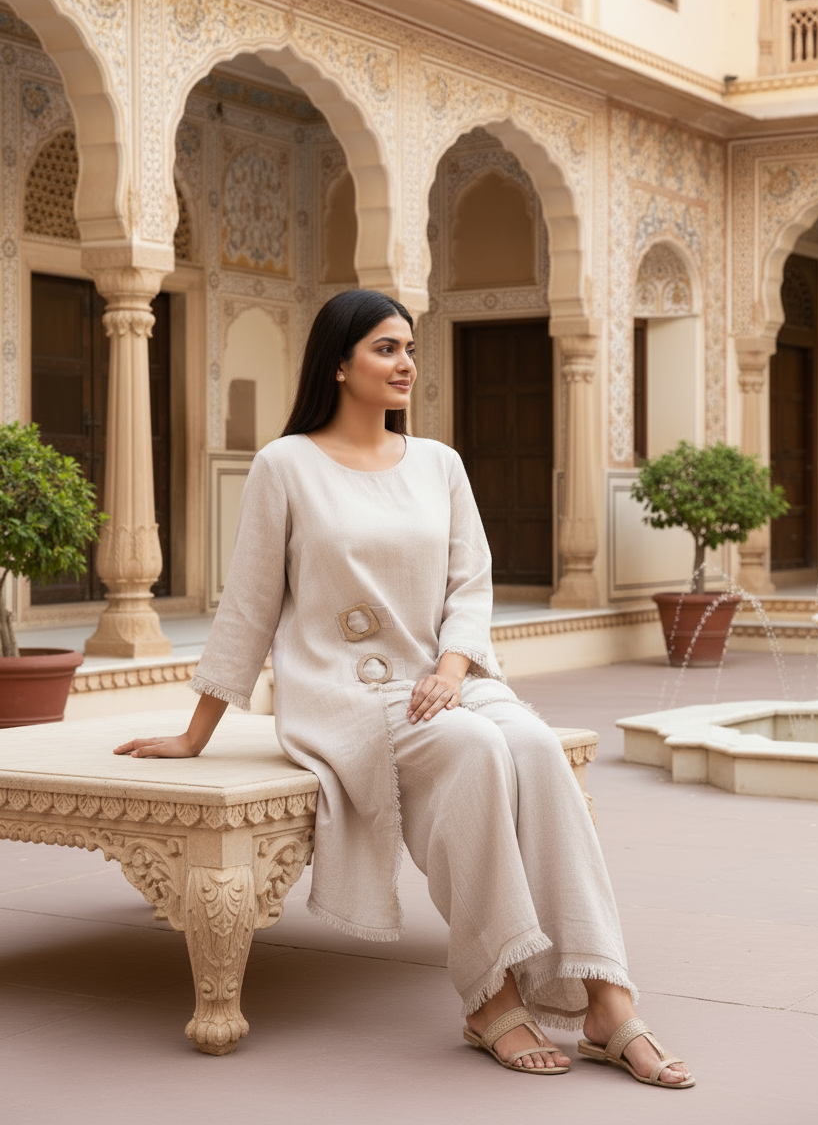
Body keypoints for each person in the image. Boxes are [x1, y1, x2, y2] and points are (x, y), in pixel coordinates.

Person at [116, 289, 693, 1088]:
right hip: (343, 695)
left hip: (442, 677)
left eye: (409, 348)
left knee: (528, 743)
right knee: (474, 751)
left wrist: (453, 668)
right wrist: (196, 732)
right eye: (386, 348)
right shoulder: (287, 465)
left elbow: (471, 585)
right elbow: (248, 606)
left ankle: (607, 997)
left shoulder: (439, 464)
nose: (406, 364)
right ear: (340, 361)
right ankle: (492, 994)